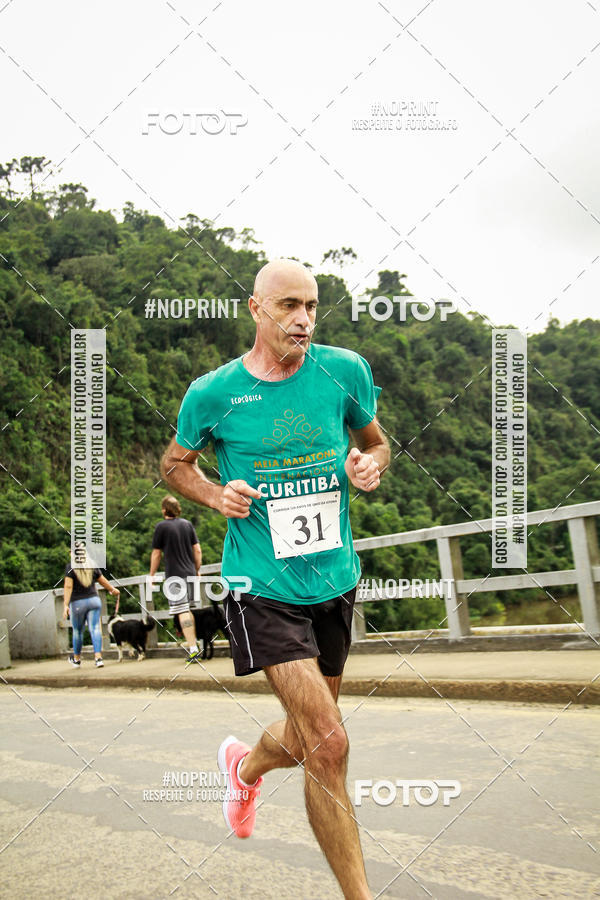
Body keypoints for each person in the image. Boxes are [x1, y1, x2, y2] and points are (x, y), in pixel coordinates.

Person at [161, 259, 389, 899]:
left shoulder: (344, 370)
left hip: (332, 580)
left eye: (312, 306)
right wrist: (214, 496)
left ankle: (243, 765)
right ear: (256, 310)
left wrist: (368, 466)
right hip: (258, 585)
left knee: (311, 737)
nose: (303, 319)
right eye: (289, 306)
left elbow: (376, 443)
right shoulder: (214, 394)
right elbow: (176, 464)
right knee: (329, 744)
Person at [149, 495, 202, 663]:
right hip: (190, 574)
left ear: (164, 510)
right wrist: (196, 570)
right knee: (188, 610)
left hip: (174, 577)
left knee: (182, 611)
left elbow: (157, 554)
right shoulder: (187, 524)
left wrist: (151, 574)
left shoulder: (161, 527)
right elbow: (198, 550)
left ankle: (193, 649)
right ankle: (195, 645)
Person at [63, 562, 120, 667]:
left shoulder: (70, 567)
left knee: (78, 631)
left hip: (77, 603)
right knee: (95, 628)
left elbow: (68, 586)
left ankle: (76, 659)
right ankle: (98, 658)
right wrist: (112, 589)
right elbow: (102, 580)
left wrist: (66, 604)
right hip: (94, 600)